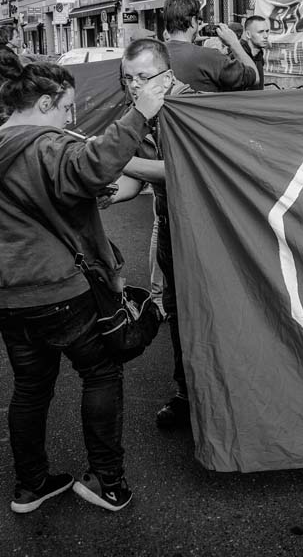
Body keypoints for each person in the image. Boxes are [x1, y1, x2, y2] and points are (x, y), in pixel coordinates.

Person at [0, 61, 166, 514]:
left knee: (31, 388)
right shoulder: (45, 144)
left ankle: (31, 486)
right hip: (58, 291)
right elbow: (93, 165)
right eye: (67, 108)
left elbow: (25, 200)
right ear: (45, 103)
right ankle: (107, 483)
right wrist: (141, 113)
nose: (71, 119)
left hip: (3, 294)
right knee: (101, 373)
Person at [106, 39, 197, 429]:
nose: (135, 86)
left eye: (144, 76)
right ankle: (186, 394)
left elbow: (180, 170)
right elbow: (131, 181)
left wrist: (116, 156)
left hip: (207, 231)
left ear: (168, 74)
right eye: (128, 78)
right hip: (171, 231)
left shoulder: (195, 108)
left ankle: (223, 394)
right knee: (177, 316)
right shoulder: (137, 116)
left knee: (211, 316)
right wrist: (104, 194)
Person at [162, 0, 257, 91]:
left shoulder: (153, 54)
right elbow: (255, 77)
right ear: (192, 21)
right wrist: (234, 43)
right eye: (198, 20)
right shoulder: (210, 57)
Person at [239, 15, 270, 90]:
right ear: (248, 34)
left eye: (267, 31)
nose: (265, 36)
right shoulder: (237, 56)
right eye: (260, 32)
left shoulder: (259, 54)